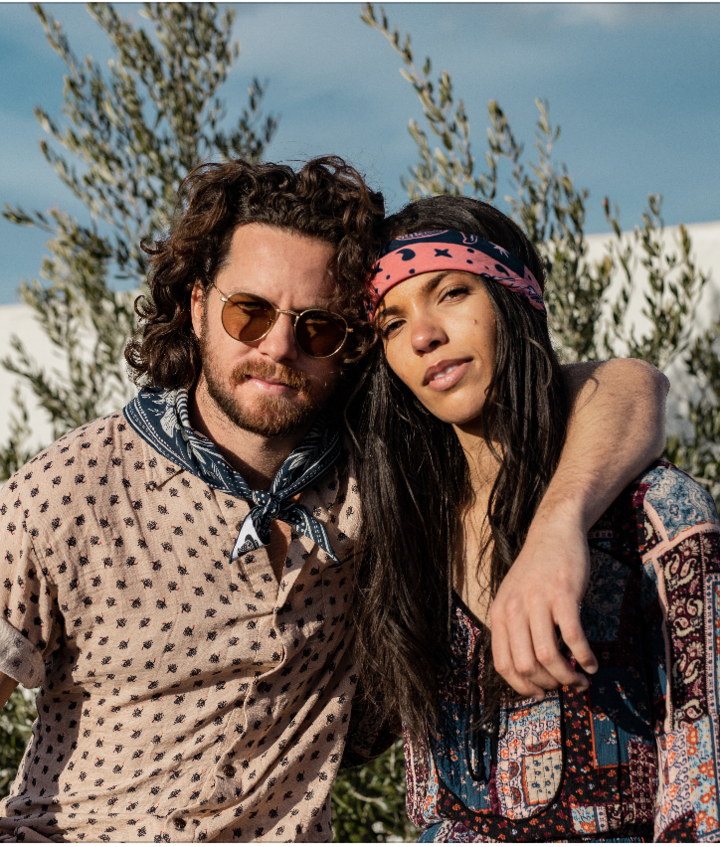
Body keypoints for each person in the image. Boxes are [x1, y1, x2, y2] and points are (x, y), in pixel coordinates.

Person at [0, 156, 667, 843]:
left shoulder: (377, 482)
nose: (280, 345)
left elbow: (629, 386)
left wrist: (556, 529)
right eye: (249, 312)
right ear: (197, 306)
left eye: (318, 327)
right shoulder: (72, 490)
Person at [351, 194, 720, 842]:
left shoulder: (653, 515)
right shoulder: (399, 531)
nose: (422, 334)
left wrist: (557, 528)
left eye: (451, 292)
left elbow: (704, 791)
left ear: (516, 296)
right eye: (391, 322)